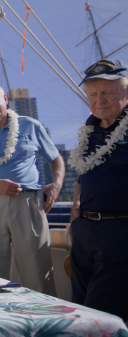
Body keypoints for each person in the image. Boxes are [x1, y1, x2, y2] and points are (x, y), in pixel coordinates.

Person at [0, 82, 64, 296]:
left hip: (28, 202)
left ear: (5, 99)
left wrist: (57, 185)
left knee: (37, 267)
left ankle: (44, 322)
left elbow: (56, 159)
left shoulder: (30, 126)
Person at [69, 59, 128, 321]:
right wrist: (75, 208)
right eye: (92, 94)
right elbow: (84, 175)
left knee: (99, 316)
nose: (98, 100)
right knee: (80, 307)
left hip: (119, 232)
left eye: (107, 92)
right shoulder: (89, 130)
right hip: (85, 231)